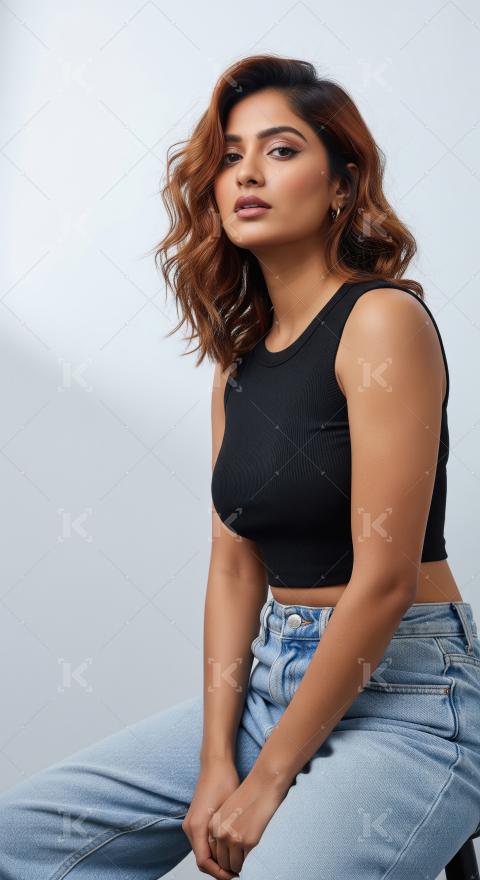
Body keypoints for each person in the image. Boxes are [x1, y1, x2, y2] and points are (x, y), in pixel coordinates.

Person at [1, 53, 480, 880]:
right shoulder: (240, 362)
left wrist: (265, 781)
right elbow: (232, 569)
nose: (247, 172)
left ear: (342, 183)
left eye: (282, 149)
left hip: (410, 697)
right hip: (271, 682)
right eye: (228, 155)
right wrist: (218, 759)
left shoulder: (381, 320)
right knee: (21, 841)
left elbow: (384, 581)